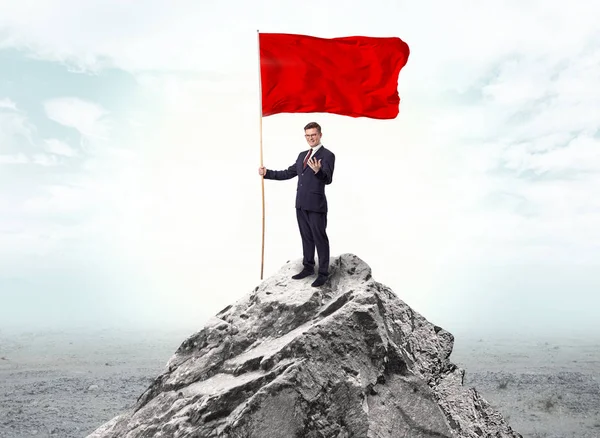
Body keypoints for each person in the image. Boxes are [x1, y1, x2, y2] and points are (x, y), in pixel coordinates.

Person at [258, 122, 336, 287]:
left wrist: (318, 171)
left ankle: (322, 273)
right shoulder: (302, 155)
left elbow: (328, 179)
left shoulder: (328, 155)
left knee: (319, 238)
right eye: (307, 135)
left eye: (313, 135)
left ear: (320, 135)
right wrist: (267, 173)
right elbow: (288, 173)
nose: (310, 138)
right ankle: (308, 267)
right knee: (306, 237)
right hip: (300, 204)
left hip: (316, 205)